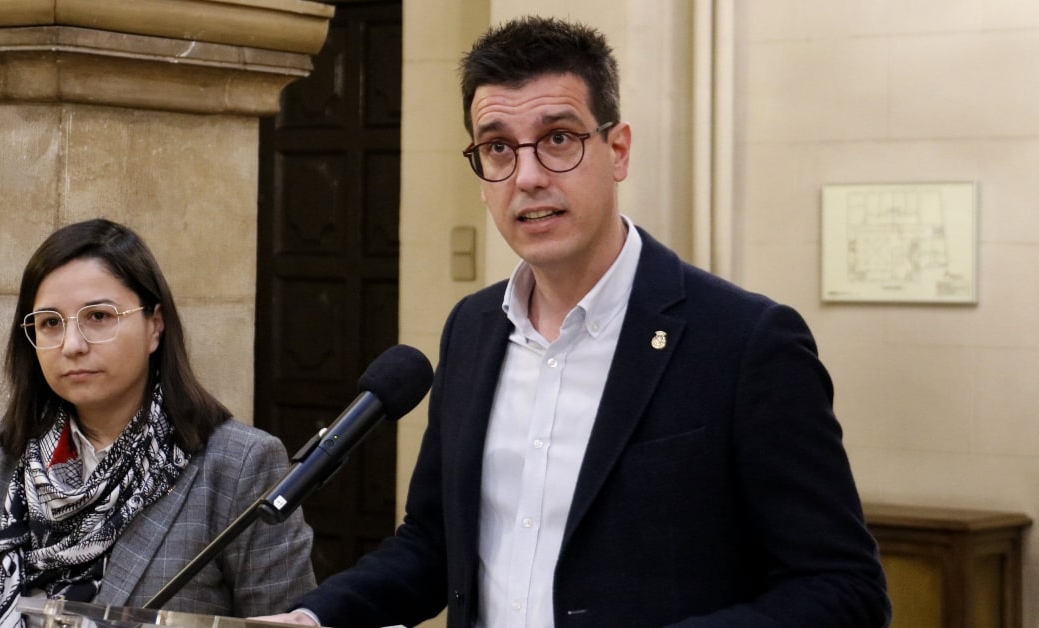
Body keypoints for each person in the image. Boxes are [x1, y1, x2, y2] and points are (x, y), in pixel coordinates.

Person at [255, 15, 890, 628]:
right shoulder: (473, 330)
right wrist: (317, 615)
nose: (527, 177)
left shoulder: (745, 341)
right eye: (498, 148)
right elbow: (432, 544)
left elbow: (842, 590)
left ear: (617, 150)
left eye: (558, 138)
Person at [0, 219, 316, 627]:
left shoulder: (239, 465)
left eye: (98, 316)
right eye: (50, 323)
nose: (72, 345)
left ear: (155, 325)